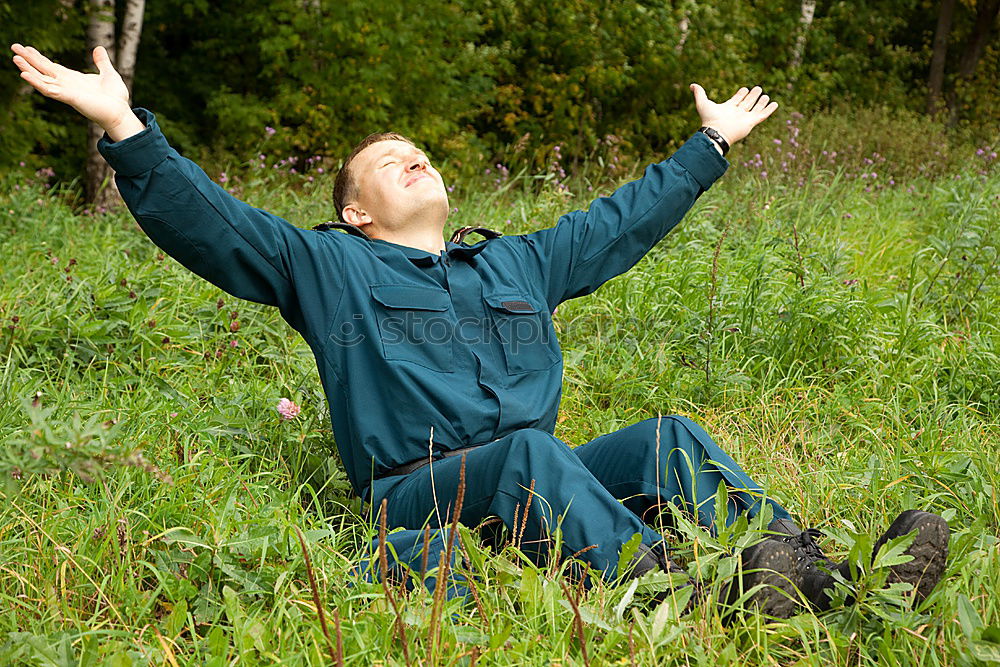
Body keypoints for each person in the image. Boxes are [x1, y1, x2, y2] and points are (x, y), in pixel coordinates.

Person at [10, 43, 949, 617]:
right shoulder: (326, 266)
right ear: (356, 216)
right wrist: (128, 130)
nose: (408, 156)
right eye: (384, 162)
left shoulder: (514, 264)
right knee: (529, 455)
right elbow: (213, 225)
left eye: (415, 152)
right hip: (420, 492)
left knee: (667, 439)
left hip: (532, 476)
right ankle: (681, 591)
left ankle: (831, 571)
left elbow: (618, 223)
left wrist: (708, 148)